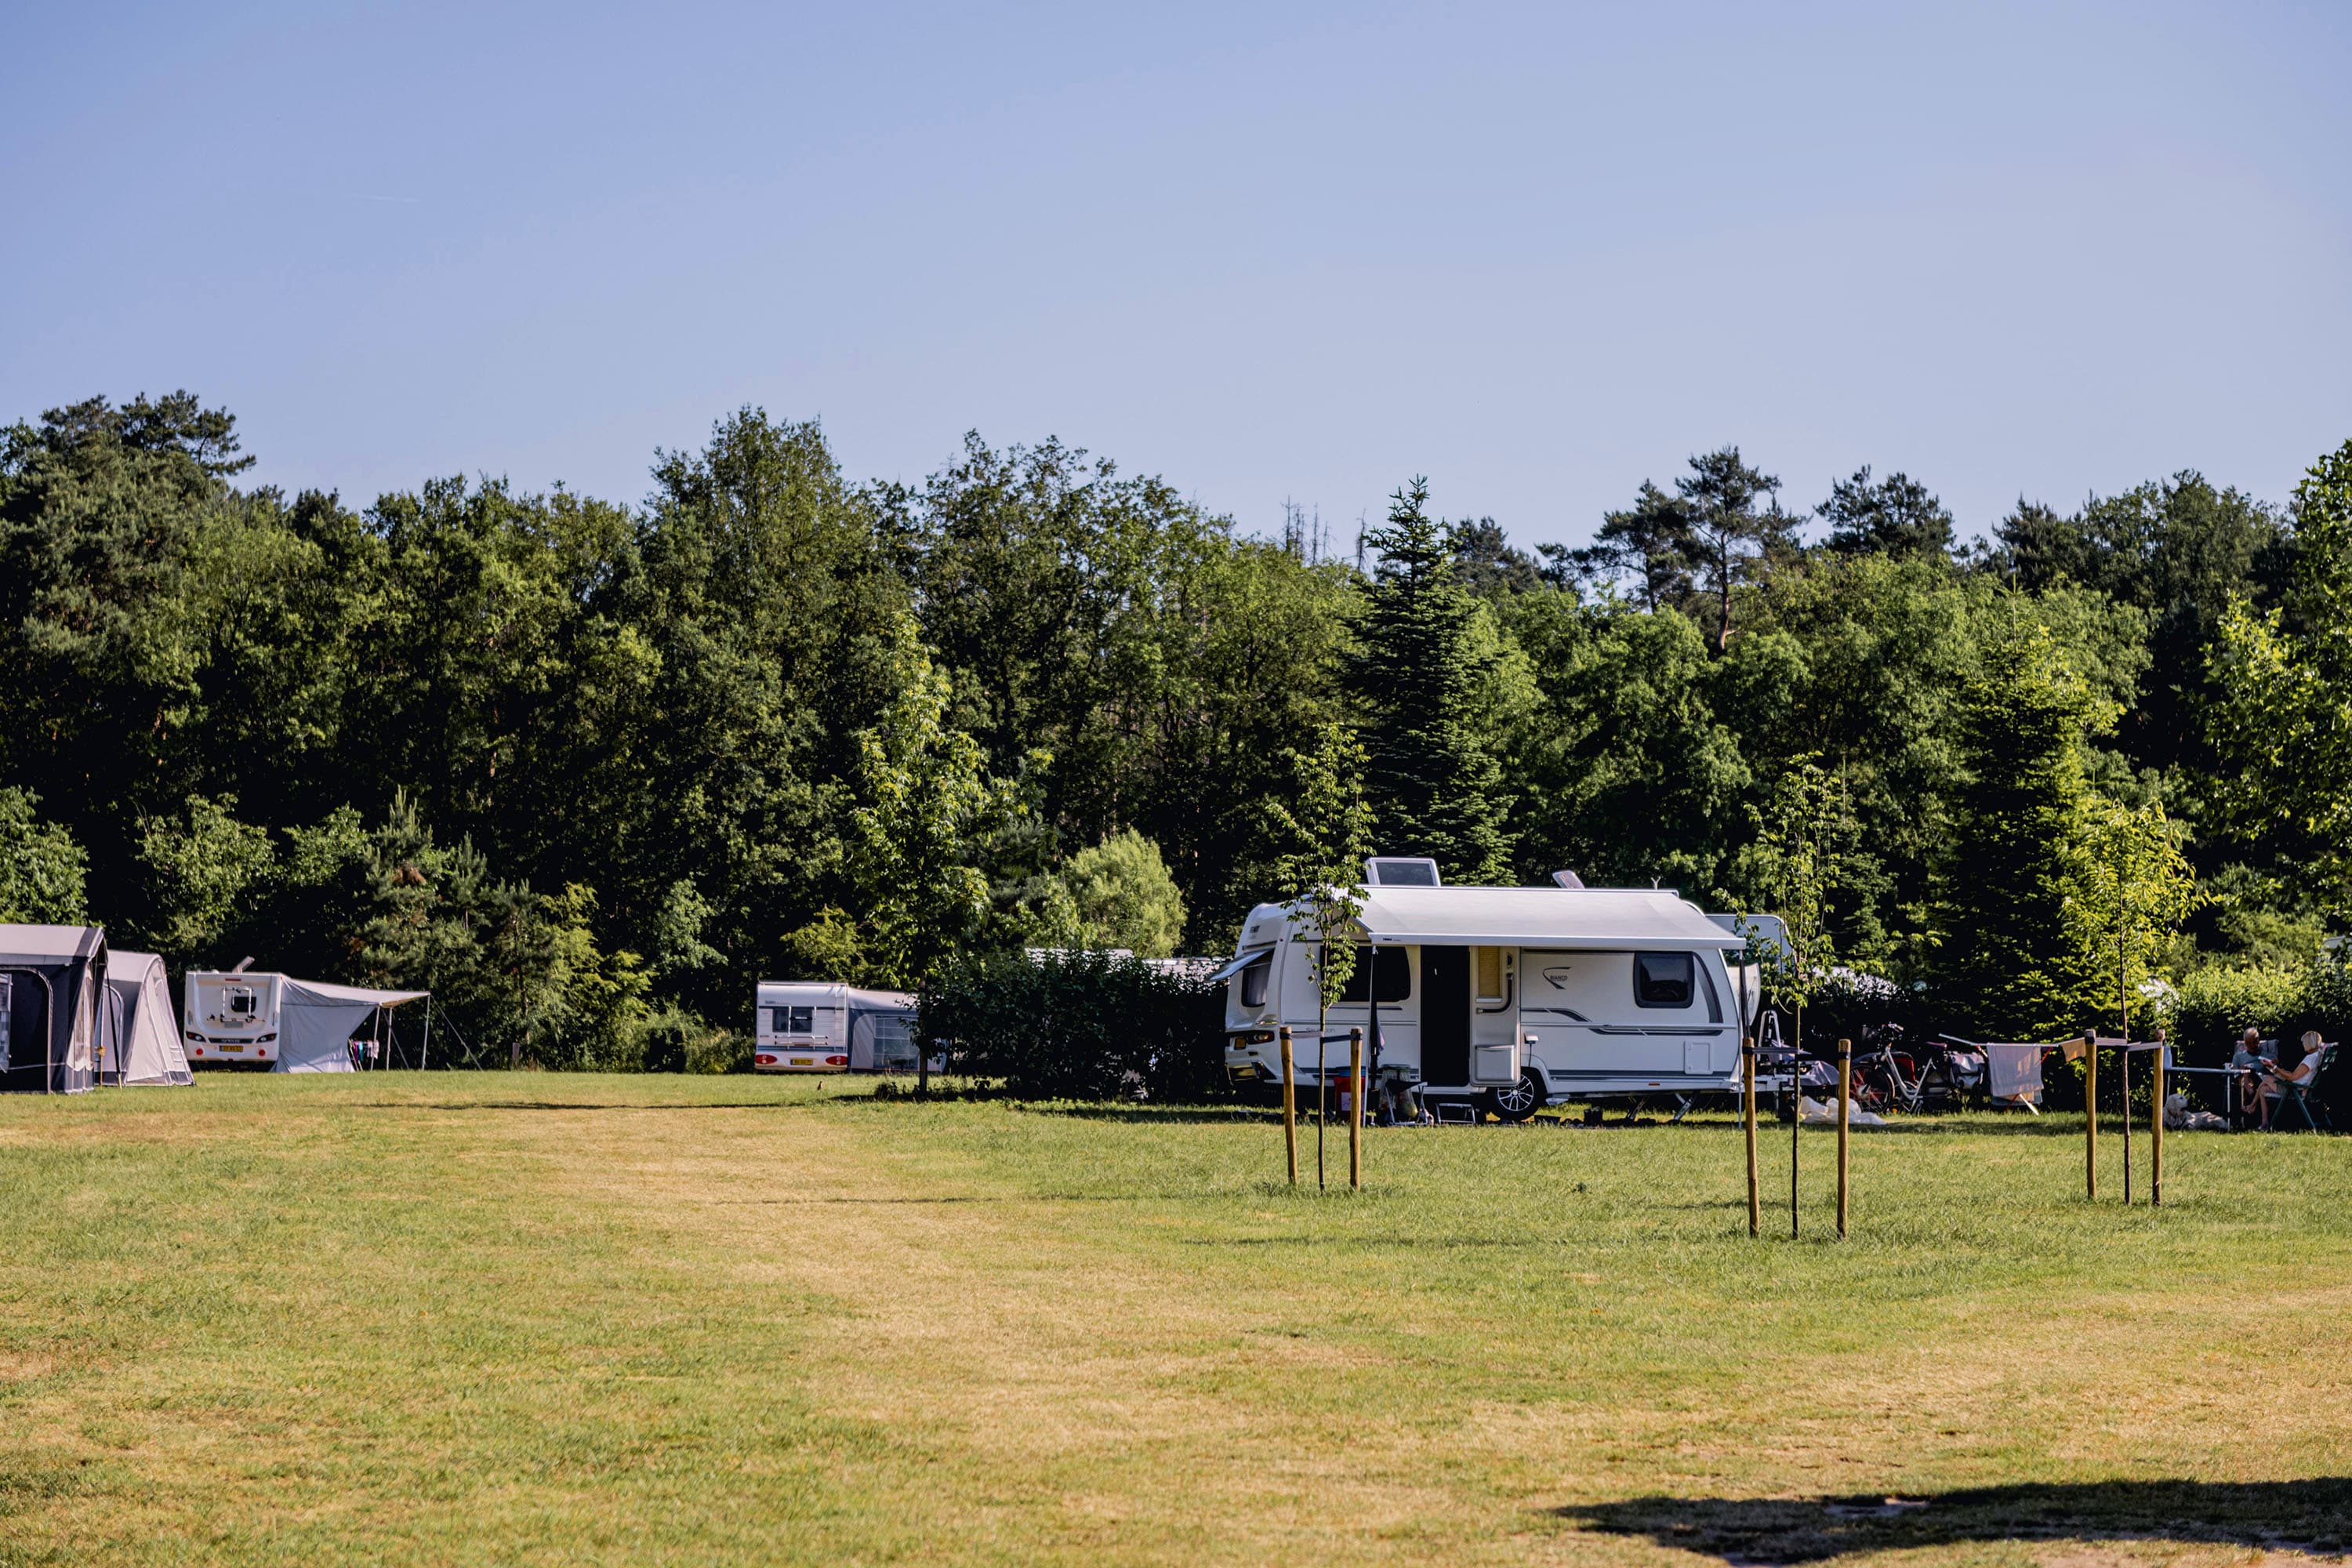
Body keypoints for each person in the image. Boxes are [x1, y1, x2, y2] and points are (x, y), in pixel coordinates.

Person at [2256, 1032, 2325, 1131]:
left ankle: (2253, 1108)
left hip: (2295, 1090)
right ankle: (2265, 1123)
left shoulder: (2310, 1058)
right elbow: (2295, 1075)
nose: (2303, 1045)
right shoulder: (2318, 1056)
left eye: (2304, 1042)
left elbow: (2292, 1077)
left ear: (2309, 1043)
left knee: (2266, 1078)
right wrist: (2275, 1069)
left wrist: (2274, 1067)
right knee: (2263, 1089)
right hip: (2300, 1087)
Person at [2230, 1027, 2267, 1127]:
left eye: (2254, 1042)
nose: (2252, 1046)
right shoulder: (2238, 1056)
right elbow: (2234, 1072)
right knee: (2246, 1076)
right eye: (2248, 1043)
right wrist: (2241, 1070)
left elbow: (2273, 1067)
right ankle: (2253, 1103)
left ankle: (2251, 1106)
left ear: (2258, 1041)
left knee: (2251, 1077)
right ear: (2245, 1043)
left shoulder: (2265, 1055)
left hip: (2262, 1081)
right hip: (2243, 1081)